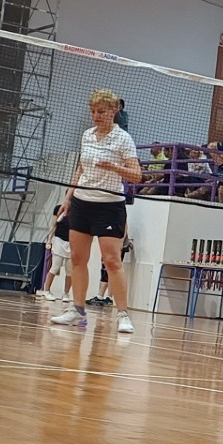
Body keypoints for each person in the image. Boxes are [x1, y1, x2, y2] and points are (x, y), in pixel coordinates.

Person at [50, 89, 142, 332]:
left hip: (109, 205)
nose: (95, 115)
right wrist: (68, 197)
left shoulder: (123, 139)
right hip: (82, 202)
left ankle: (123, 314)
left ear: (113, 111)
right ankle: (77, 311)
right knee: (77, 258)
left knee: (112, 260)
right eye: (92, 111)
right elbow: (80, 169)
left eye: (101, 111)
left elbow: (136, 175)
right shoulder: (87, 136)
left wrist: (114, 167)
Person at [37, 204, 69, 300]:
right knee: (55, 267)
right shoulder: (59, 209)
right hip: (59, 240)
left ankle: (66, 293)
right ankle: (46, 290)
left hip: (72, 242)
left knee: (70, 271)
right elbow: (53, 225)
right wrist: (49, 240)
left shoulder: (78, 209)